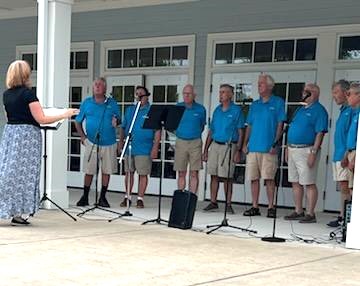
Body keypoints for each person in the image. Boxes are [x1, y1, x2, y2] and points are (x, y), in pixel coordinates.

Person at [0, 60, 78, 225]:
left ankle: (9, 209)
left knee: (8, 172)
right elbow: (41, 118)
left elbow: (9, 117)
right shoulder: (28, 94)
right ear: (25, 75)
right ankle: (20, 212)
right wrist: (65, 114)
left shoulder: (6, 94)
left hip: (11, 134)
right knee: (26, 175)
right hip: (27, 137)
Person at [242, 74, 286, 218]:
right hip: (253, 146)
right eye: (258, 83)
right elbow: (249, 125)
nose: (259, 86)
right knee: (253, 178)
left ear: (269, 86)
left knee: (269, 178)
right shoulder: (255, 104)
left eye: (261, 83)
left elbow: (281, 124)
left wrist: (275, 143)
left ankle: (271, 206)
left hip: (269, 147)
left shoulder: (278, 102)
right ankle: (255, 206)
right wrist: (245, 143)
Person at [285, 83, 328, 223]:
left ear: (314, 93)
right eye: (304, 91)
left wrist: (313, 152)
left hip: (306, 149)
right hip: (292, 148)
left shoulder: (319, 110)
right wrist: (287, 147)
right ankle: (298, 210)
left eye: (307, 91)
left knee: (308, 182)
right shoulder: (300, 109)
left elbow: (320, 133)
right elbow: (291, 129)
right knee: (295, 181)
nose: (303, 93)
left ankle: (310, 213)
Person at [75, 77, 120, 208]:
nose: (97, 87)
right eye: (95, 85)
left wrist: (116, 122)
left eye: (100, 85)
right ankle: (85, 196)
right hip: (92, 142)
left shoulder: (112, 103)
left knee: (106, 170)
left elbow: (119, 119)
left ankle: (102, 197)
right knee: (89, 170)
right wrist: (83, 137)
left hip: (109, 142)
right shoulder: (87, 103)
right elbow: (78, 121)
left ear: (105, 88)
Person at [202, 84, 244, 214]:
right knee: (213, 175)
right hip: (215, 144)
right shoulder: (217, 110)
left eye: (224, 92)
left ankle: (228, 204)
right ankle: (213, 202)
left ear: (231, 95)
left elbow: (241, 131)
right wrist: (205, 150)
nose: (221, 95)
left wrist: (239, 150)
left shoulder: (236, 110)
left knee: (227, 176)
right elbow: (211, 131)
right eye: (220, 92)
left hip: (229, 146)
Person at [118, 86, 160, 208]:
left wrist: (155, 147)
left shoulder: (151, 111)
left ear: (147, 96)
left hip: (145, 147)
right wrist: (121, 142)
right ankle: (127, 197)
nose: (139, 96)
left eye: (141, 94)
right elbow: (123, 127)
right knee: (128, 173)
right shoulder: (130, 110)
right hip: (130, 145)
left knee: (143, 173)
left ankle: (140, 198)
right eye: (137, 94)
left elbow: (157, 130)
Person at [327, 80, 352, 227]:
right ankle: (342, 215)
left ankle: (345, 217)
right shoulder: (342, 110)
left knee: (346, 186)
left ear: (345, 92)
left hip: (345, 155)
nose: (334, 96)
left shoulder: (352, 111)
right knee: (342, 186)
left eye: (336, 92)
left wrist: (346, 155)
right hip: (338, 154)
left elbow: (351, 135)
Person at [174, 84, 206, 194]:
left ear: (194, 95)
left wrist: (193, 133)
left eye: (189, 93)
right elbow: (172, 124)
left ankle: (192, 198)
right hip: (181, 141)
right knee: (181, 172)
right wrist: (179, 132)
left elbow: (202, 126)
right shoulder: (178, 107)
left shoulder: (201, 109)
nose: (186, 96)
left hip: (195, 142)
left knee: (194, 172)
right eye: (184, 93)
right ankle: (181, 197)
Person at [345, 83, 360, 195]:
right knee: (351, 188)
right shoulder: (354, 113)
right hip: (351, 153)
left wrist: (355, 159)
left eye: (349, 94)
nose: (347, 97)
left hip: (355, 155)